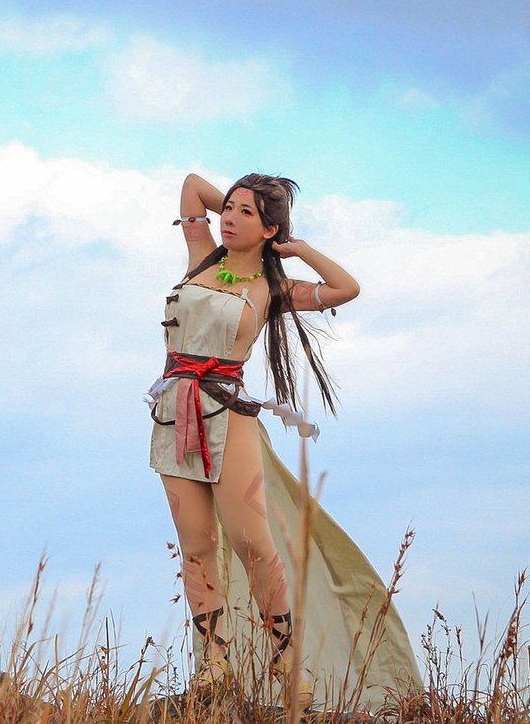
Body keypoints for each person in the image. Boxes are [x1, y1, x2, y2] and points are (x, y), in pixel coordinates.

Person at [146, 173, 420, 709]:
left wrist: (295, 246)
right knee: (195, 543)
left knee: (253, 545)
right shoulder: (201, 258)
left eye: (245, 213)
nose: (228, 217)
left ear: (270, 229)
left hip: (228, 413)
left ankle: (289, 663)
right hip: (173, 412)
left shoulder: (273, 290)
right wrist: (246, 200)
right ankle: (213, 665)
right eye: (228, 208)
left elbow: (345, 288)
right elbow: (192, 186)